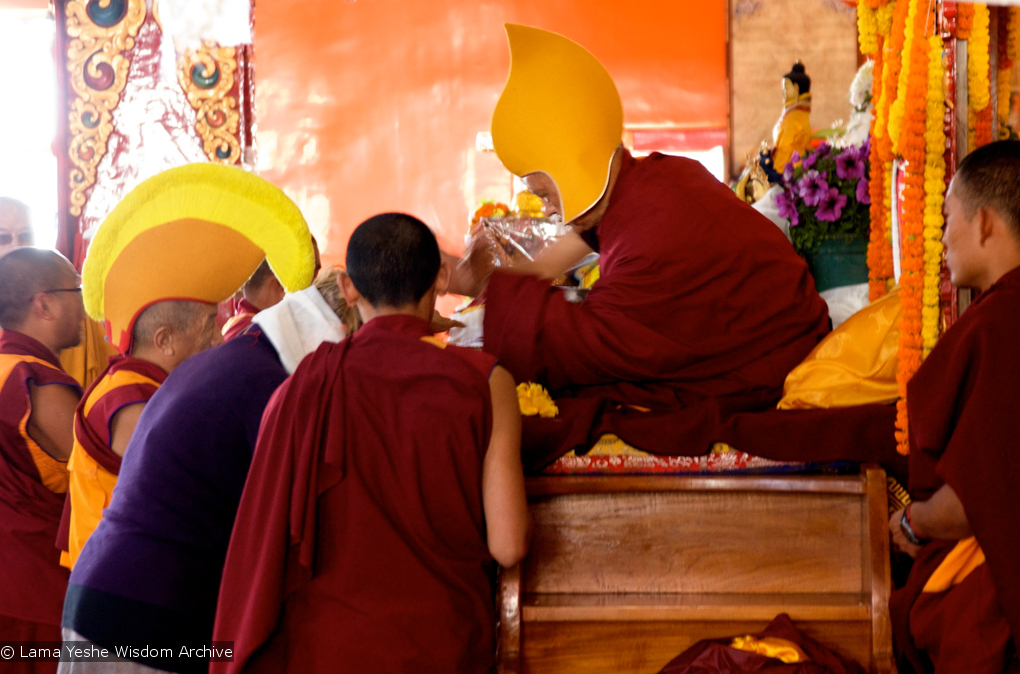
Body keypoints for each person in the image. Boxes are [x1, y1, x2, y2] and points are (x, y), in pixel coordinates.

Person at [449, 25, 837, 469]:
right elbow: (564, 254)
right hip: (781, 332)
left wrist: (489, 319)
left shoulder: (650, 237)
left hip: (776, 361)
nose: (549, 209)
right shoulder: (654, 177)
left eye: (545, 193)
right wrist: (480, 281)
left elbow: (592, 342)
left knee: (574, 403)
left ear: (575, 172)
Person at [212, 213, 530, 674]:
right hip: (442, 646)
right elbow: (509, 545)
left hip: (330, 650)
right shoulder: (488, 382)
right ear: (441, 279)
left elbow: (263, 545)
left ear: (347, 287)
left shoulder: (303, 388)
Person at [60, 168, 322, 674]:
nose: (218, 339)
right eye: (207, 327)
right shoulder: (132, 392)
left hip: (125, 587)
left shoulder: (185, 383)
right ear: (164, 340)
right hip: (133, 597)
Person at [888, 141, 1020, 674]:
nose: (942, 237)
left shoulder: (1003, 323)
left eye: (947, 218)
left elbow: (980, 494)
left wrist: (913, 523)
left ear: (984, 223)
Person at [0, 248, 83, 667]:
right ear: (44, 304)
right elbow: (101, 473)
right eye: (77, 289)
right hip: (36, 583)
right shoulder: (36, 382)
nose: (85, 305)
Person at [772, 62, 813, 171]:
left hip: (789, 168)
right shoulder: (798, 112)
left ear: (796, 89)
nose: (783, 93)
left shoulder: (794, 117)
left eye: (786, 89)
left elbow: (785, 148)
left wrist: (776, 171)